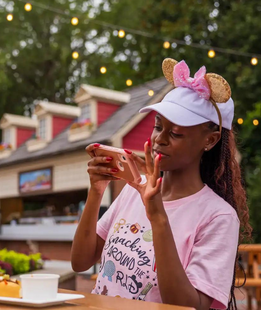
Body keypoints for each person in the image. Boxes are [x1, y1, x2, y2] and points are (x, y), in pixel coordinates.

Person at [71, 59, 251, 310]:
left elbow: (189, 305)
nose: (159, 139)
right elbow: (80, 261)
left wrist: (158, 217)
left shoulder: (218, 216)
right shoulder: (134, 190)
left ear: (209, 140)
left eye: (175, 133)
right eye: (158, 126)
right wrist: (96, 191)